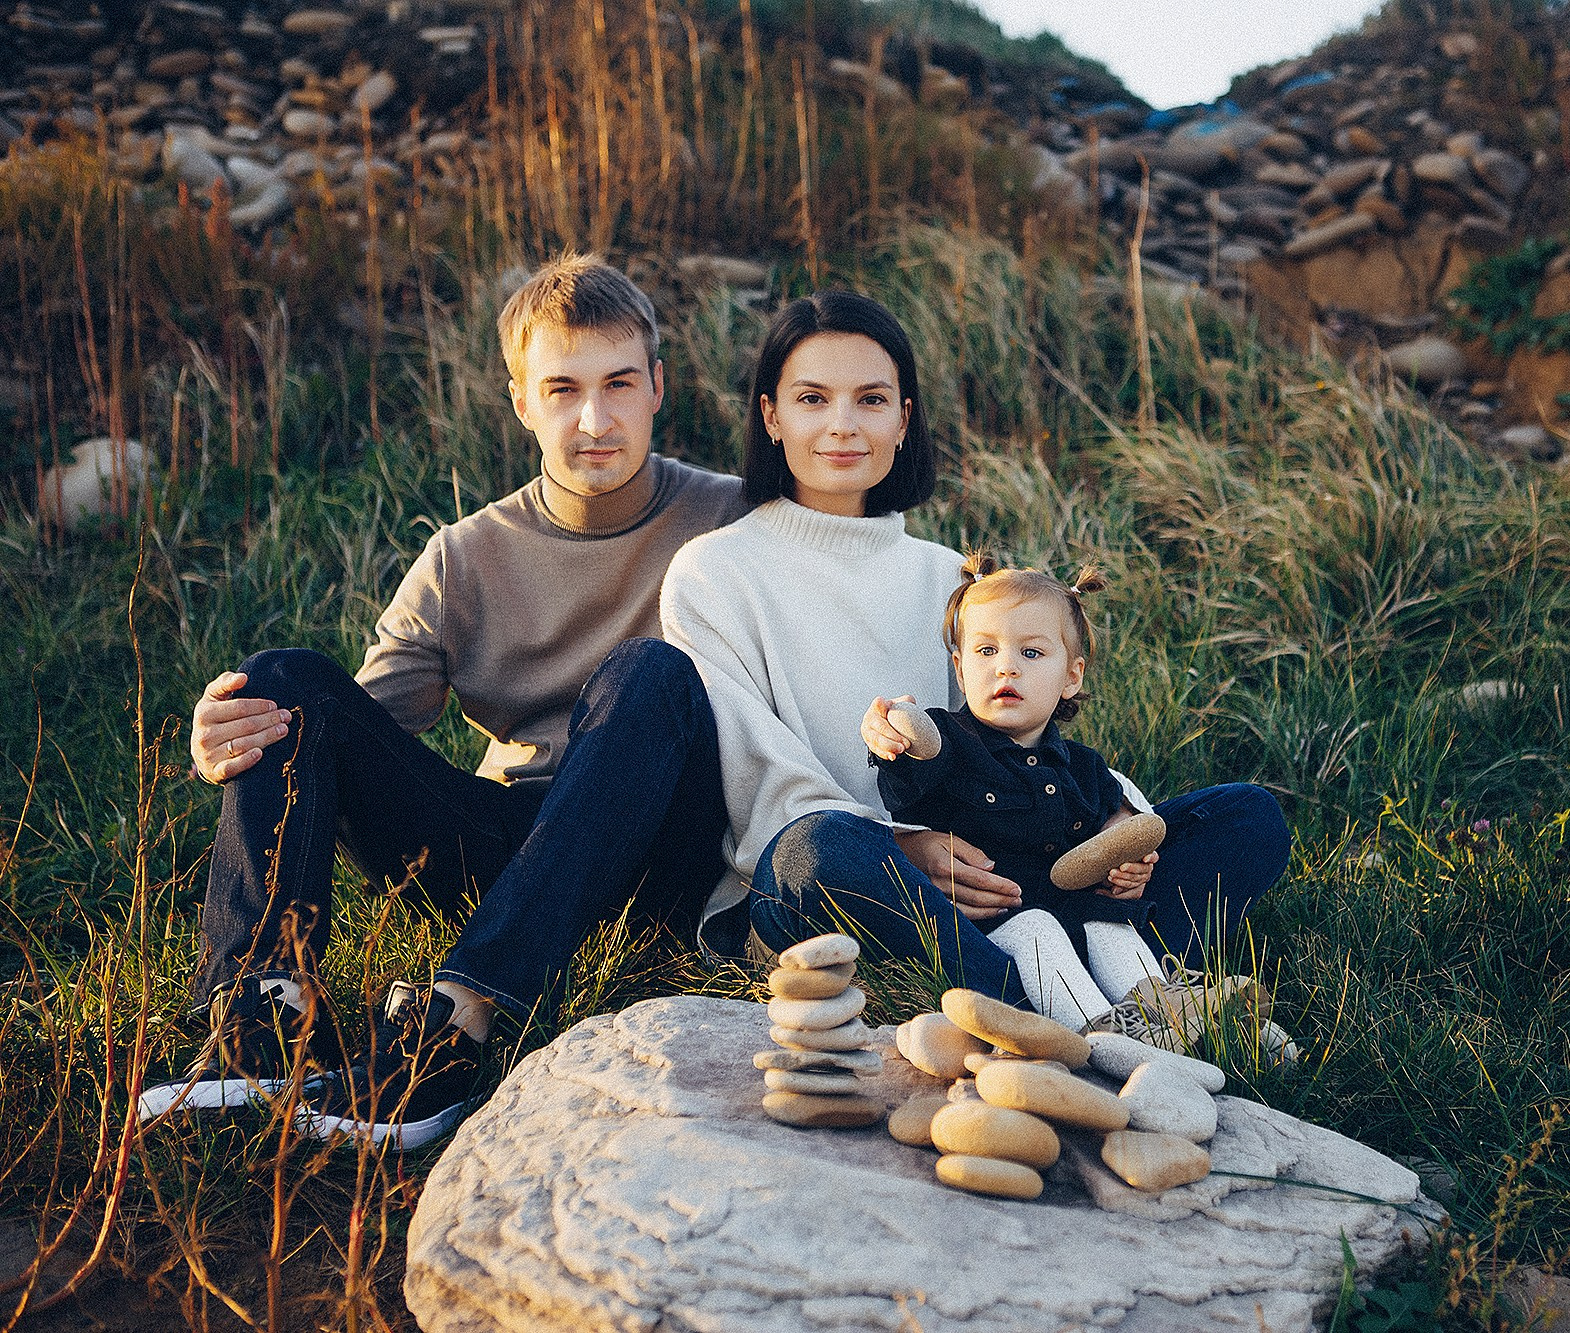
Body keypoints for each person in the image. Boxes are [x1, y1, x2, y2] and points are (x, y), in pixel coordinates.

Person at [139, 254, 750, 1148]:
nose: (594, 419)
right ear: (520, 403)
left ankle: (454, 1018)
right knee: (283, 679)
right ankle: (262, 1021)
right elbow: (353, 735)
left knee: (651, 672)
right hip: (505, 847)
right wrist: (235, 737)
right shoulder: (466, 555)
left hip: (658, 855)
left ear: (658, 386)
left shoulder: (736, 518)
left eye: (620, 382)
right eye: (563, 389)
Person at [658, 290, 1292, 1036]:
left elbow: (1021, 740)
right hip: (842, 881)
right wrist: (908, 845)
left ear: (903, 419)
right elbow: (757, 782)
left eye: (870, 399)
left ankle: (1116, 992)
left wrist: (1123, 821)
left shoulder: (951, 580)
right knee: (817, 850)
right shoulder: (713, 572)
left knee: (1246, 816)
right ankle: (1056, 1007)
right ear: (771, 417)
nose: (841, 424)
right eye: (811, 398)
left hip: (1005, 883)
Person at [866, 556, 1178, 1035]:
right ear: (960, 668)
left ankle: (1163, 1012)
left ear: (1071, 677)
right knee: (1038, 932)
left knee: (1113, 925)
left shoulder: (1084, 766)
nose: (1005, 667)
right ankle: (1098, 1034)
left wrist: (1126, 859)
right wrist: (904, 735)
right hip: (994, 921)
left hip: (1078, 908)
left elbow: (1114, 824)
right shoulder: (952, 744)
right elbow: (906, 787)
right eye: (985, 651)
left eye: (1030, 654)